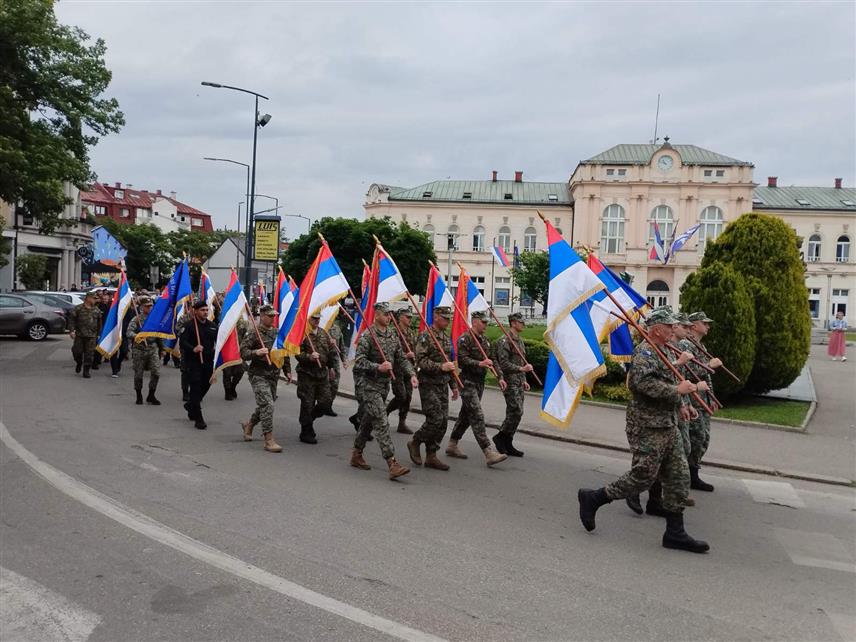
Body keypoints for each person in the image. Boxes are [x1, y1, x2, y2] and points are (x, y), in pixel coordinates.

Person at [577, 307, 710, 554]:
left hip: (668, 424)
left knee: (679, 476)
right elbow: (642, 384)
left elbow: (671, 380)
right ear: (657, 330)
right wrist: (676, 391)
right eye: (669, 326)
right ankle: (594, 498)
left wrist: (681, 402)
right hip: (648, 426)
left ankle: (675, 532)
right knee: (643, 476)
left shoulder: (663, 350)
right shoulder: (645, 352)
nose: (673, 329)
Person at [350, 302, 416, 480]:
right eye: (386, 314)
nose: (389, 317)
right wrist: (378, 367)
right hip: (369, 385)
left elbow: (401, 358)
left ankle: (356, 454)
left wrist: (411, 374)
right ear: (377, 315)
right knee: (381, 421)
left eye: (390, 315)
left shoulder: (392, 335)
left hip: (384, 386)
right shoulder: (368, 336)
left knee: (367, 422)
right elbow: (359, 361)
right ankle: (392, 463)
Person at [445, 311, 508, 467]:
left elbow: (492, 360)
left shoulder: (485, 341)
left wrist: (500, 377)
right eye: (483, 322)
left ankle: (452, 444)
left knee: (466, 416)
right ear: (474, 322)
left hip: (479, 383)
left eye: (486, 322)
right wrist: (479, 363)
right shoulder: (465, 339)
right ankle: (488, 452)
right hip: (467, 382)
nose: (486, 325)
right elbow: (462, 359)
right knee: (477, 414)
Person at [407, 306, 459, 471]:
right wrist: (440, 366)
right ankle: (415, 441)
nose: (447, 321)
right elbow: (420, 361)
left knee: (443, 422)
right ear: (436, 317)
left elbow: (449, 363)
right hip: (428, 384)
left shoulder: (445, 337)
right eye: (444, 318)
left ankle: (431, 455)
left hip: (442, 384)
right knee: (435, 418)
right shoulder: (425, 336)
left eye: (449, 318)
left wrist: (453, 385)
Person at [686, 311, 722, 492]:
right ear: (694, 325)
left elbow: (706, 377)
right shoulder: (686, 345)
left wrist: (711, 396)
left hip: (703, 399)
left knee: (703, 438)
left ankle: (693, 473)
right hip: (692, 399)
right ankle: (689, 476)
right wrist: (709, 365)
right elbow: (688, 371)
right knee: (695, 438)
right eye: (704, 323)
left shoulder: (700, 346)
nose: (708, 326)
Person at [240, 305, 284, 453]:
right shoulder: (254, 333)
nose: (272, 318)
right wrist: (256, 352)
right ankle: (268, 440)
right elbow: (243, 353)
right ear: (262, 316)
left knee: (265, 405)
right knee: (268, 405)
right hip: (258, 375)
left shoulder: (277, 332)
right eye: (270, 316)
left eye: (274, 316)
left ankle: (249, 424)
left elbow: (282, 352)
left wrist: (288, 370)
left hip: (273, 375)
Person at [492, 312, 534, 456]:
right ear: (513, 323)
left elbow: (521, 361)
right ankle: (500, 437)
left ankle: (507, 441)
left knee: (516, 412)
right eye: (520, 322)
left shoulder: (519, 341)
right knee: (516, 410)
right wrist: (521, 370)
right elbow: (503, 364)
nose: (523, 324)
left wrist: (524, 379)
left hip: (518, 381)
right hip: (509, 381)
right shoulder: (504, 341)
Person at [295, 311, 338, 444]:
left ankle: (309, 419)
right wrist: (309, 357)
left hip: (322, 374)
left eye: (318, 318)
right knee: (307, 403)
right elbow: (296, 352)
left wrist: (331, 367)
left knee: (326, 402)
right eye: (314, 318)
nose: (317, 321)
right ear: (309, 318)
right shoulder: (302, 333)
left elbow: (329, 352)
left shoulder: (323, 333)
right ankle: (306, 431)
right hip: (307, 374)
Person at [179, 300, 217, 429]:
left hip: (208, 361)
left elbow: (217, 341)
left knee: (206, 384)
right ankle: (199, 418)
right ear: (195, 311)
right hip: (193, 361)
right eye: (202, 310)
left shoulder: (212, 326)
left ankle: (191, 405)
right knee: (195, 387)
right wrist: (193, 348)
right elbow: (182, 342)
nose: (205, 312)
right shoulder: (189, 326)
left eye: (206, 310)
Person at [126, 296, 164, 405]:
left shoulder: (155, 319)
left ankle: (151, 395)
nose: (149, 308)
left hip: (152, 348)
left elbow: (159, 335)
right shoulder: (136, 319)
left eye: (151, 306)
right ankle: (139, 395)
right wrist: (137, 336)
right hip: (139, 350)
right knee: (138, 374)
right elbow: (128, 332)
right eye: (147, 306)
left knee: (156, 373)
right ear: (142, 307)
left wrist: (162, 349)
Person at [386, 307, 417, 434]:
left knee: (408, 397)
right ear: (400, 318)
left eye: (410, 317)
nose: (410, 319)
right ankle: (385, 413)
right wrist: (406, 355)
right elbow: (389, 351)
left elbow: (415, 349)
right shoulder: (393, 332)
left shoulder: (410, 333)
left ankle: (402, 423)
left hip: (408, 369)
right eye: (407, 317)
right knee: (401, 396)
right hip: (397, 369)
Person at [68, 290, 103, 378]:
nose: (95, 300)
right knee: (77, 352)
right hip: (80, 335)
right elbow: (72, 320)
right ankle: (79, 362)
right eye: (94, 298)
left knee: (89, 354)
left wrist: (99, 334)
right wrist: (71, 331)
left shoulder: (97, 310)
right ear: (88, 298)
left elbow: (99, 323)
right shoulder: (78, 308)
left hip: (92, 336)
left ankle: (86, 370)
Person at [222, 315, 247, 400]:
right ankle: (227, 392)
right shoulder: (224, 324)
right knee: (227, 373)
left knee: (240, 371)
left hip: (239, 352)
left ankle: (233, 387)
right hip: (227, 351)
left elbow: (246, 337)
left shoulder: (243, 323)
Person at [326, 316, 347, 416]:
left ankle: (328, 406)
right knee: (323, 385)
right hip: (323, 359)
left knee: (334, 385)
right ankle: (320, 405)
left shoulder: (337, 328)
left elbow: (341, 346)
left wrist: (344, 360)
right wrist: (329, 343)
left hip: (334, 360)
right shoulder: (322, 327)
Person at [91, 290, 112, 370]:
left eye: (106, 299)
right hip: (98, 328)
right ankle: (96, 361)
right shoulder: (99, 306)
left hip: (106, 328)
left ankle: (105, 357)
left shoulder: (110, 307)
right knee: (98, 345)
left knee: (104, 344)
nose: (104, 300)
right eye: (103, 299)